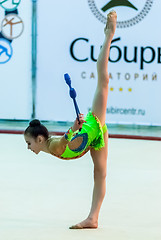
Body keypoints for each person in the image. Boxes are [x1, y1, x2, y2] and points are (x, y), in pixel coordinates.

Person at [24, 10, 117, 229]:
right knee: (100, 174)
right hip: (93, 137)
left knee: (103, 79)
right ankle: (93, 218)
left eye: (28, 143)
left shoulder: (54, 145)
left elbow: (63, 143)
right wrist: (74, 130)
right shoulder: (49, 142)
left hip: (94, 124)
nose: (28, 148)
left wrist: (72, 129)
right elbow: (63, 141)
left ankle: (109, 35)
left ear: (39, 139)